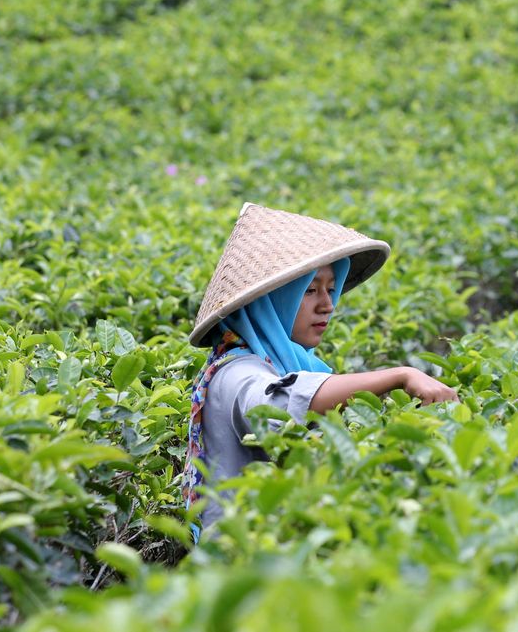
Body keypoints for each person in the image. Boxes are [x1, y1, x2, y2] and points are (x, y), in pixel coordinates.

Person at [181, 203, 457, 541]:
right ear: (271, 299)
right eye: (310, 290)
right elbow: (277, 408)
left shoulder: (284, 363)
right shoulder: (236, 372)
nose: (327, 304)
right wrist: (400, 375)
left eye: (330, 288)